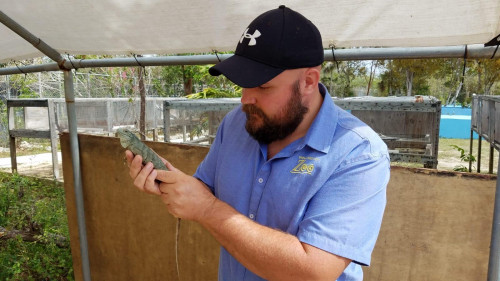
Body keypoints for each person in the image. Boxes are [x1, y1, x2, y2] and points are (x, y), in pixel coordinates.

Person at [126, 5, 390, 281]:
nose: (245, 99)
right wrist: (167, 180)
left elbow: (314, 271)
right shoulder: (237, 124)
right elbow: (205, 188)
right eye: (243, 83)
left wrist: (206, 209)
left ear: (309, 81)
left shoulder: (358, 153)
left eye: (262, 86)